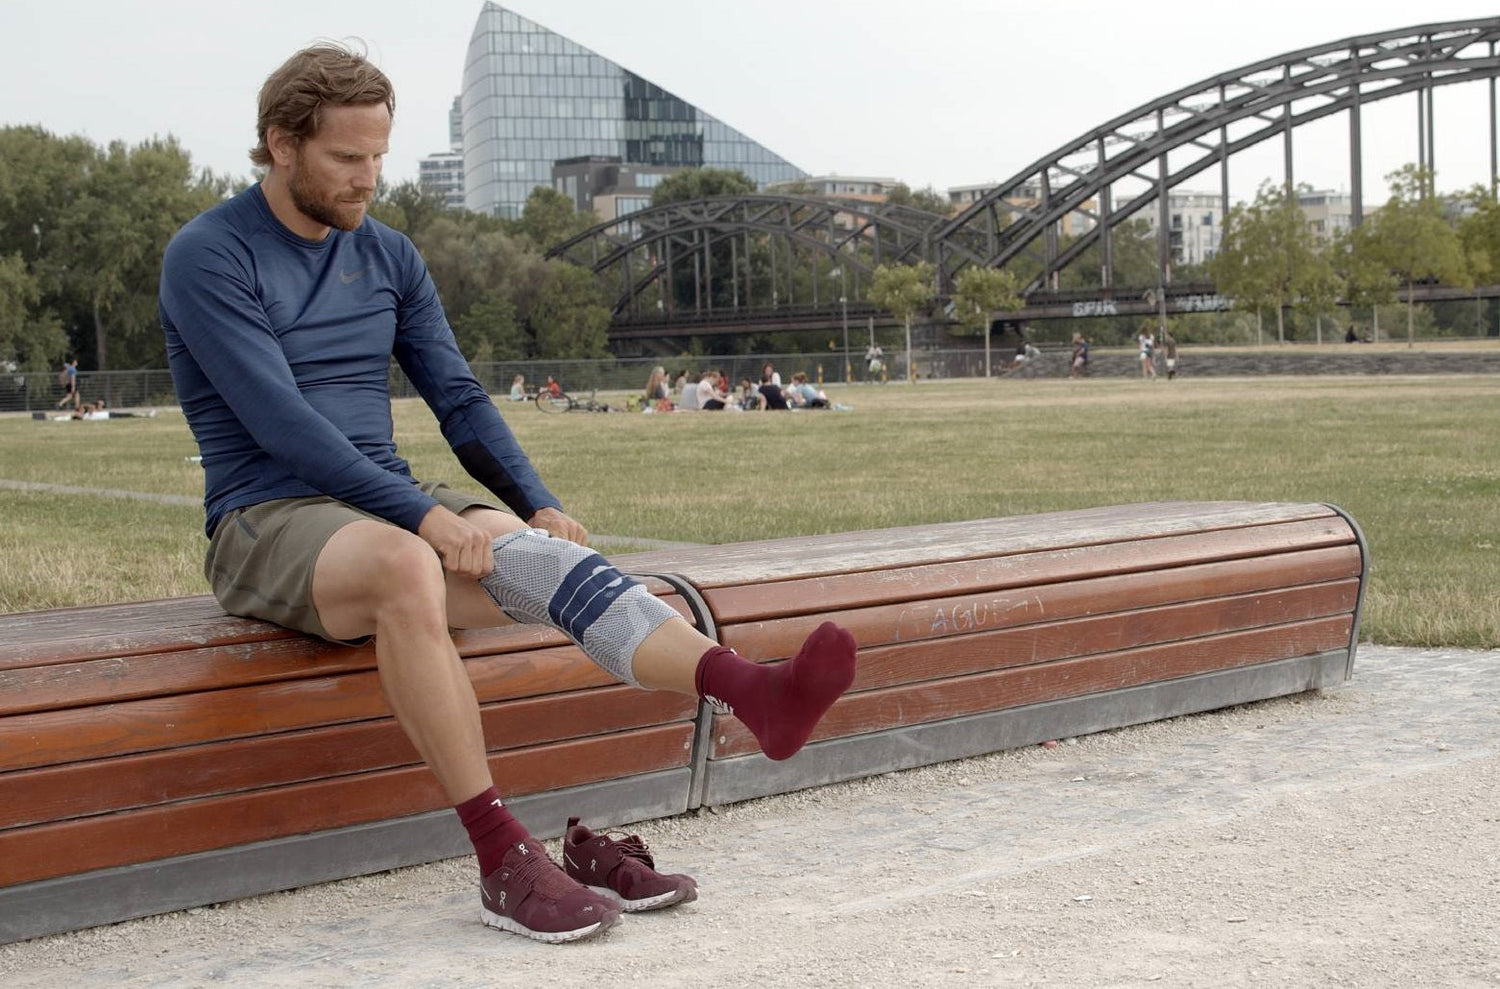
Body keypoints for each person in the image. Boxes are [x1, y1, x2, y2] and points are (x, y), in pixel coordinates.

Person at [157, 43, 857, 946]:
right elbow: (281, 422)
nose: (369, 177)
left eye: (380, 155)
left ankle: (752, 692)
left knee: (552, 557)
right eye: (347, 158)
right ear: (280, 146)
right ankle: (500, 859)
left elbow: (456, 397)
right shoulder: (209, 254)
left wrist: (531, 497)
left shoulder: (391, 256)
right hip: (266, 518)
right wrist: (424, 515)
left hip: (380, 497)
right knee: (411, 564)